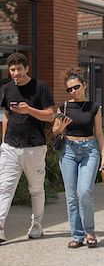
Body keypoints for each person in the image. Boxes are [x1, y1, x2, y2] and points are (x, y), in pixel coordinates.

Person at [0, 52, 55, 243]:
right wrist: (3, 141)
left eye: (19, 69)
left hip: (34, 147)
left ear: (27, 68)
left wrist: (29, 110)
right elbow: (6, 115)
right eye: (13, 70)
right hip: (10, 147)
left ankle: (37, 226)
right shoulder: (7, 89)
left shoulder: (40, 87)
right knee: (4, 188)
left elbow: (50, 115)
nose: (16, 73)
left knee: (36, 189)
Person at [52, 69, 104, 248]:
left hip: (89, 150)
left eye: (76, 87)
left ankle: (89, 231)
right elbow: (54, 131)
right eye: (69, 89)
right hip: (68, 150)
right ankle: (77, 236)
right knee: (71, 196)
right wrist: (61, 127)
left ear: (84, 85)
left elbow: (99, 134)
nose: (73, 91)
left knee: (85, 191)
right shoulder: (64, 107)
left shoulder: (94, 107)